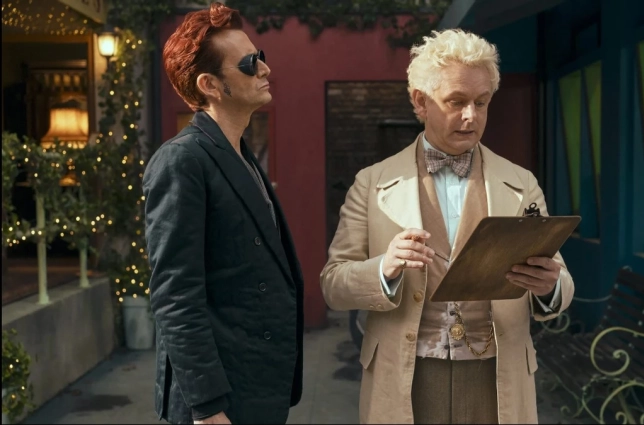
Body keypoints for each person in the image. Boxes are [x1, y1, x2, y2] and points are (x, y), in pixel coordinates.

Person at [320, 29, 574, 424]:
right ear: (421, 101)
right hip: (407, 376)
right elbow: (333, 284)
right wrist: (384, 268)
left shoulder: (521, 182)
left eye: (481, 102)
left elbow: (561, 277)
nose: (471, 115)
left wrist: (550, 286)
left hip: (497, 376)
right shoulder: (371, 183)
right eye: (457, 101)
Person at [143, 3, 304, 424]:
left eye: (260, 56)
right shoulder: (181, 161)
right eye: (250, 64)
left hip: (255, 385)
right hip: (221, 401)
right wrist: (207, 405)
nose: (265, 68)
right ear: (210, 85)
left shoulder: (239, 154)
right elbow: (175, 295)